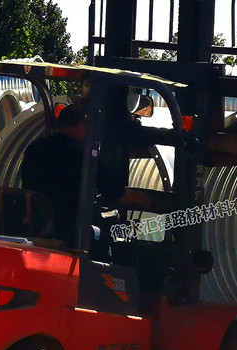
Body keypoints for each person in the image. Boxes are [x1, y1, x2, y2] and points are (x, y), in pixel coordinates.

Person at [20, 103, 148, 248]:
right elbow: (113, 192)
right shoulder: (83, 155)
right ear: (81, 125)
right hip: (62, 229)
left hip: (32, 223)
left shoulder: (34, 147)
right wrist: (139, 197)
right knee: (103, 241)